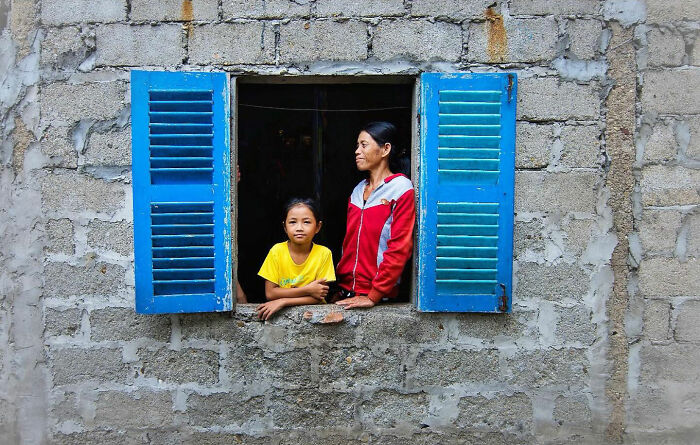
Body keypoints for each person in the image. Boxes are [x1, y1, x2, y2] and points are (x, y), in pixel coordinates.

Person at [334, 122, 415, 309]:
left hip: (377, 295)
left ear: (385, 149)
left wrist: (374, 295)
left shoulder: (400, 189)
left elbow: (400, 248)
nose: (357, 151)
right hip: (347, 290)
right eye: (357, 145)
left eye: (364, 145)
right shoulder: (357, 191)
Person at [256, 198, 336, 320]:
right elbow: (270, 293)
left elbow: (318, 296)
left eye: (307, 222)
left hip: (315, 317)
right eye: (293, 222)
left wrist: (283, 301)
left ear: (318, 227)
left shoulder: (323, 253)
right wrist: (308, 289)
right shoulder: (276, 251)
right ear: (285, 227)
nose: (299, 228)